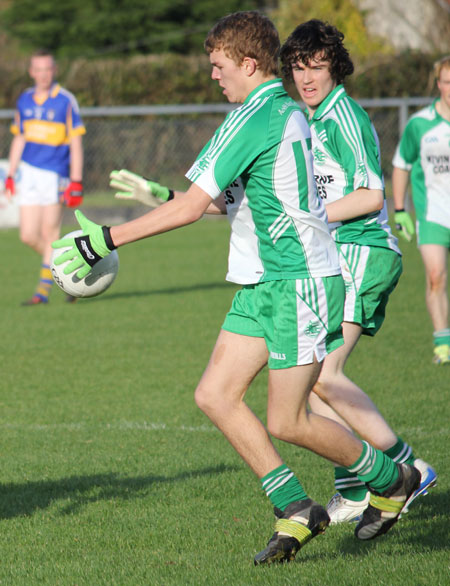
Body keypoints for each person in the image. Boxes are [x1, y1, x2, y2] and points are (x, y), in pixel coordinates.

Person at [53, 12, 420, 565]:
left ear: (248, 64)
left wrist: (103, 239)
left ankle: (392, 479)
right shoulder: (281, 111)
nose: (213, 76)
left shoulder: (255, 115)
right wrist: (160, 194)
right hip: (264, 282)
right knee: (215, 394)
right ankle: (296, 507)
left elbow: (196, 207)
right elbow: (224, 199)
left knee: (287, 420)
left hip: (299, 281)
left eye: (219, 66)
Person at [279, 19, 436, 524]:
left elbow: (372, 195)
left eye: (317, 66)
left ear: (335, 67)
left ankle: (406, 467)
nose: (306, 76)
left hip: (363, 251)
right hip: (338, 255)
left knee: (322, 374)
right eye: (299, 66)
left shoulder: (342, 116)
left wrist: (312, 215)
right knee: (309, 379)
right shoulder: (311, 116)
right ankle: (352, 484)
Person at [4, 49, 85, 306]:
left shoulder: (65, 100)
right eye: (38, 69)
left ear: (54, 70)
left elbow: (75, 142)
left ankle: (42, 293)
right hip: (27, 173)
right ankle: (69, 273)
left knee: (50, 233)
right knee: (27, 235)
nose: (43, 74)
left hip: (55, 176)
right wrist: (10, 174)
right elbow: (19, 137)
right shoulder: (25, 100)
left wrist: (76, 180)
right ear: (31, 72)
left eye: (47, 69)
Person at [392, 55, 450, 365]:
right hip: (433, 215)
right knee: (436, 276)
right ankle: (443, 343)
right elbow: (401, 165)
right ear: (439, 84)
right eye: (447, 82)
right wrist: (400, 209)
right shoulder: (420, 124)